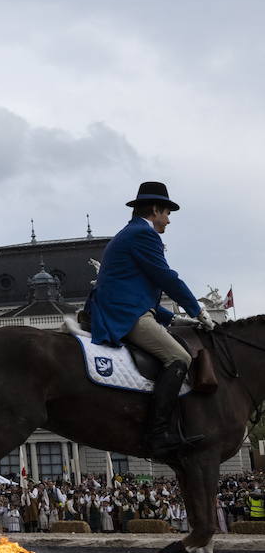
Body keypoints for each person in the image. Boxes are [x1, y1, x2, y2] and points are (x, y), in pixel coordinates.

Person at [86, 181, 213, 459]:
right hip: (124, 314)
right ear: (155, 210)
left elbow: (144, 295)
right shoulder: (144, 235)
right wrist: (196, 310)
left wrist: (176, 319)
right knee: (179, 357)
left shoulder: (130, 234)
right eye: (167, 213)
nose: (168, 220)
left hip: (128, 306)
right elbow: (166, 278)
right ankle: (157, 434)